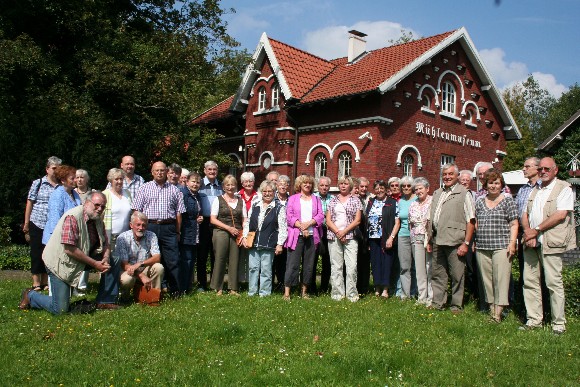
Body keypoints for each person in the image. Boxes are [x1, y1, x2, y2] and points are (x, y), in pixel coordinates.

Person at [19, 192, 115, 314]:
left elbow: (106, 243)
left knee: (114, 259)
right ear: (87, 203)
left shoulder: (97, 220)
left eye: (103, 206)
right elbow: (69, 249)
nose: (100, 209)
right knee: (60, 309)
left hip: (80, 259)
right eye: (97, 205)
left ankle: (105, 301)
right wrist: (96, 264)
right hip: (60, 263)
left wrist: (105, 257)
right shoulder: (73, 217)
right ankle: (31, 295)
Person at [521, 157, 575, 334]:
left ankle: (558, 324)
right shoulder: (536, 189)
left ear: (555, 170)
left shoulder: (564, 188)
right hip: (532, 241)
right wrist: (528, 231)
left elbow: (560, 215)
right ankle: (533, 320)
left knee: (553, 283)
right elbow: (525, 213)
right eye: (541, 169)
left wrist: (535, 230)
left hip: (551, 242)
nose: (543, 171)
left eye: (547, 169)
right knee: (530, 282)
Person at [427, 163, 475, 313]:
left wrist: (466, 243)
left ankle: (456, 305)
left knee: (457, 275)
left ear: (457, 176)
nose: (447, 177)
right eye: (445, 175)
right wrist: (429, 239)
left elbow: (471, 220)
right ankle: (438, 303)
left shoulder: (464, 193)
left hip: (455, 241)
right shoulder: (437, 192)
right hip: (437, 239)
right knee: (438, 274)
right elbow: (431, 217)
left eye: (450, 174)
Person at [132, 161, 186, 297]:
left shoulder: (175, 190)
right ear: (152, 172)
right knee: (150, 258)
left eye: (162, 170)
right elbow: (137, 211)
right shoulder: (144, 188)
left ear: (167, 172)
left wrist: (178, 231)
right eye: (157, 170)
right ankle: (152, 291)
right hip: (149, 226)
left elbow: (179, 213)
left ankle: (175, 291)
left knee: (172, 259)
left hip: (169, 227)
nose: (160, 173)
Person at [475, 169, 519, 322]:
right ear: (486, 185)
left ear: (501, 185)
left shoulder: (507, 200)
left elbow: (514, 223)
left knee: (501, 279)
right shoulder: (479, 201)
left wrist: (512, 243)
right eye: (490, 183)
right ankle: (492, 308)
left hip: (502, 245)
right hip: (482, 246)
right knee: (487, 280)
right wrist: (476, 241)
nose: (493, 186)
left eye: (496, 183)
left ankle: (498, 314)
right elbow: (477, 224)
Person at [23, 156, 62, 292]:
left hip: (53, 225)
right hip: (37, 222)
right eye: (53, 168)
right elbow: (30, 202)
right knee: (36, 252)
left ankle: (46, 281)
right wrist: (27, 222)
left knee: (48, 253)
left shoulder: (61, 186)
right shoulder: (38, 183)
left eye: (58, 169)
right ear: (47, 169)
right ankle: (36, 282)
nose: (56, 171)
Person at [242, 180, 287, 296]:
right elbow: (247, 223)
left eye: (270, 191)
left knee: (266, 270)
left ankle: (264, 293)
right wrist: (245, 237)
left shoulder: (279, 207)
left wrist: (280, 244)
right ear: (261, 192)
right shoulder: (255, 205)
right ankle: (252, 292)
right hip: (254, 242)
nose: (267, 193)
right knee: (253, 268)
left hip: (269, 243)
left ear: (274, 192)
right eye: (265, 191)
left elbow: (282, 227)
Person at [284, 174, 324, 300]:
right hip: (297, 236)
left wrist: (308, 224)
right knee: (292, 264)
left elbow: (320, 216)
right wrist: (302, 227)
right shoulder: (293, 199)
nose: (307, 185)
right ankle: (287, 293)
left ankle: (304, 292)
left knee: (309, 265)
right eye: (304, 183)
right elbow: (289, 216)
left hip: (312, 236)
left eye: (309, 183)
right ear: (299, 185)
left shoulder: (316, 199)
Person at [514, 157, 543, 315]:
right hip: (524, 234)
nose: (523, 169)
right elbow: (519, 212)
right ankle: (529, 310)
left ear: (537, 168)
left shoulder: (543, 187)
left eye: (527, 167)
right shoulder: (523, 189)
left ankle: (546, 311)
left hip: (540, 233)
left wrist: (533, 232)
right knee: (527, 273)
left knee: (544, 276)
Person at [326, 176, 362, 302]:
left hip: (351, 237)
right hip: (334, 236)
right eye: (341, 183)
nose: (343, 186)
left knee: (351, 267)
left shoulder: (356, 200)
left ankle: (352, 294)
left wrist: (345, 232)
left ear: (350, 186)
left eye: (346, 184)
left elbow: (358, 220)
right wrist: (338, 232)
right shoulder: (333, 200)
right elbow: (328, 220)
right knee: (336, 267)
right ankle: (337, 294)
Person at [99, 168, 132, 304]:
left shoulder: (127, 194)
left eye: (121, 179)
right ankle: (107, 296)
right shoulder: (105, 195)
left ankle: (123, 293)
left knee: (123, 264)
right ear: (110, 180)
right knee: (110, 266)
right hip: (110, 236)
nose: (119, 181)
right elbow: (99, 217)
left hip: (125, 237)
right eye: (116, 179)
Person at [209, 174, 246, 295]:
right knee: (220, 258)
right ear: (223, 187)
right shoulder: (218, 199)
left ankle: (233, 288)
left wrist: (244, 234)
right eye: (227, 185)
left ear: (236, 186)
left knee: (234, 259)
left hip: (237, 233)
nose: (230, 187)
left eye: (232, 185)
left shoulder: (241, 201)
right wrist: (228, 228)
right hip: (221, 231)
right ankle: (218, 287)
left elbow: (244, 219)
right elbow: (213, 219)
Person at [117, 212, 165, 300]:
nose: (141, 228)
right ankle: (125, 297)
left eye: (144, 225)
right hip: (128, 270)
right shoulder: (122, 238)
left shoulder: (152, 236)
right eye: (138, 225)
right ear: (131, 225)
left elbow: (157, 257)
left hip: (143, 268)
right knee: (127, 279)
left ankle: (153, 297)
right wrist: (141, 276)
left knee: (159, 267)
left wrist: (140, 264)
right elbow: (124, 264)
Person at [365, 180, 399, 298]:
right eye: (377, 188)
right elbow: (366, 220)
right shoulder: (371, 202)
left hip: (386, 237)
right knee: (375, 263)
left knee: (387, 262)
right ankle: (377, 287)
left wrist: (391, 237)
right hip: (373, 238)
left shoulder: (392, 202)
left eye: (382, 188)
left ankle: (385, 289)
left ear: (386, 189)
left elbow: (397, 222)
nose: (379, 190)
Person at [197, 160, 223, 291]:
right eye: (209, 169)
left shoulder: (221, 186)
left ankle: (215, 283)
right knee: (202, 255)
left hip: (218, 223)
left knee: (216, 254)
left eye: (214, 169)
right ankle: (202, 284)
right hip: (203, 223)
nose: (212, 172)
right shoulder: (199, 184)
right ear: (205, 170)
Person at [408, 177, 433, 306]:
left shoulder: (433, 201)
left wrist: (430, 239)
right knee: (419, 269)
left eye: (420, 188)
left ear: (427, 189)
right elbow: (410, 223)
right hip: (416, 238)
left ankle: (431, 297)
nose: (418, 191)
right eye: (416, 189)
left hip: (429, 238)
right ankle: (422, 297)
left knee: (430, 267)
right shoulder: (413, 203)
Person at [179, 171, 205, 293]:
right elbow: (180, 214)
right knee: (186, 260)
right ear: (187, 182)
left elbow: (197, 212)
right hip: (186, 232)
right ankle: (183, 287)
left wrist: (200, 218)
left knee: (191, 260)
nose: (195, 184)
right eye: (193, 181)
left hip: (195, 231)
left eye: (197, 182)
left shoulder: (197, 195)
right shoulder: (183, 195)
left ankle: (188, 286)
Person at [42, 165, 82, 245]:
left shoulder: (75, 194)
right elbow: (55, 221)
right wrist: (60, 241)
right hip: (57, 240)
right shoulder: (58, 195)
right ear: (63, 180)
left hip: (71, 237)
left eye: (76, 178)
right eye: (72, 178)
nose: (76, 180)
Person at [237, 172, 261, 283]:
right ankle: (241, 280)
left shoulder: (259, 196)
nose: (248, 183)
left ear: (254, 182)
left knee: (252, 256)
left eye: (250, 181)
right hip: (239, 230)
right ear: (242, 183)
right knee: (240, 257)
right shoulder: (237, 195)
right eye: (245, 181)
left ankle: (252, 281)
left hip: (254, 230)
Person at [397, 175, 417, 299]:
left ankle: (416, 292)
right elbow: (398, 220)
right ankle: (405, 294)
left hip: (416, 235)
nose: (406, 188)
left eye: (408, 186)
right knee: (404, 266)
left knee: (417, 267)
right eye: (403, 186)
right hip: (403, 235)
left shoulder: (417, 199)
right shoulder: (400, 201)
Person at [314, 176, 332, 293]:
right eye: (322, 185)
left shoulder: (333, 199)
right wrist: (324, 215)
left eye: (326, 186)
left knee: (327, 261)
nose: (324, 188)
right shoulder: (313, 198)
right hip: (315, 231)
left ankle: (324, 287)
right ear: (318, 186)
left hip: (328, 231)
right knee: (312, 260)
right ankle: (310, 287)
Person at [272, 174, 290, 290]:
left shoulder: (292, 199)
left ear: (288, 186)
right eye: (280, 184)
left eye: (285, 184)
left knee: (284, 260)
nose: (282, 186)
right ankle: (270, 284)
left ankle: (282, 283)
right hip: (273, 232)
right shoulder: (272, 199)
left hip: (288, 233)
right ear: (276, 185)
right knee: (273, 260)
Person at [356, 176, 372, 294]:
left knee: (365, 262)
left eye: (366, 187)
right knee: (355, 262)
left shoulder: (371, 198)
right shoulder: (354, 198)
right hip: (357, 232)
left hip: (368, 234)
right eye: (362, 186)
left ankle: (364, 287)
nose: (364, 189)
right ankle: (355, 286)